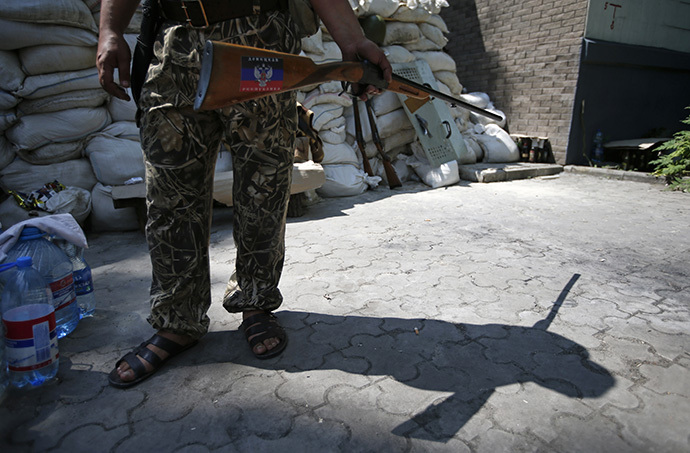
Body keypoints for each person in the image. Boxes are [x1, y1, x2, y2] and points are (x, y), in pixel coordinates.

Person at [96, 0, 392, 388]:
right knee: (170, 196)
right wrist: (110, 30)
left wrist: (352, 38)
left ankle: (255, 301)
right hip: (176, 45)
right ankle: (176, 321)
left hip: (260, 38)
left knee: (263, 187)